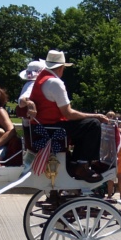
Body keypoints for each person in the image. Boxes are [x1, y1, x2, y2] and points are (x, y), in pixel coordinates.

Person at [25, 49, 109, 183]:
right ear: (61, 68)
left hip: (40, 128)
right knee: (93, 124)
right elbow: (68, 114)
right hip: (51, 129)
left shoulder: (40, 79)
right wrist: (97, 116)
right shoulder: (55, 83)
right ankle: (81, 166)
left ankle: (76, 163)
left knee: (84, 126)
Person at [104, 112, 121, 199]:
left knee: (110, 177)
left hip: (111, 156)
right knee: (120, 178)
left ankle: (109, 196)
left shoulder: (109, 131)